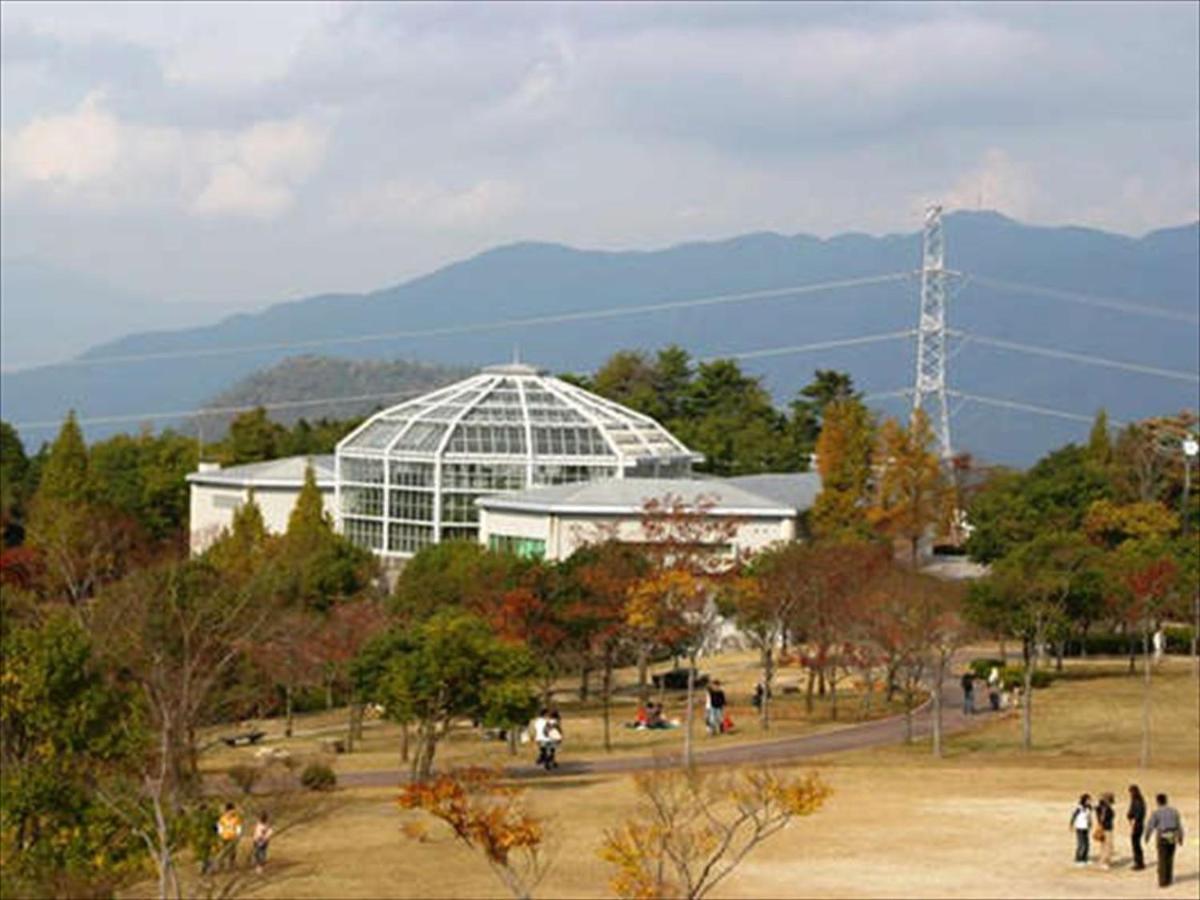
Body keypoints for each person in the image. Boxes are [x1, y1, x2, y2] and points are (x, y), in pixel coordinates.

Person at [1145, 792, 1186, 887]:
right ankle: (1169, 878)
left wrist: (1147, 836)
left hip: (1162, 835)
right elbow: (1179, 826)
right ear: (1166, 800)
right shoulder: (1174, 811)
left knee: (1162, 858)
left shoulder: (1156, 812)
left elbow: (1150, 825)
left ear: (1158, 802)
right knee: (1170, 857)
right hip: (1172, 835)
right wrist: (1180, 837)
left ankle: (1163, 881)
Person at [216, 802, 243, 871]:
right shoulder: (223, 818)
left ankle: (231, 865)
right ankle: (221, 865)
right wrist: (220, 835)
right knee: (223, 852)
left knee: (232, 853)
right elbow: (219, 827)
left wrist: (238, 835)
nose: (233, 811)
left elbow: (238, 827)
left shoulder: (236, 818)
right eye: (232, 810)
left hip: (232, 838)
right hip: (224, 837)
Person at [1127, 784, 1147, 871]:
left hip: (1137, 824)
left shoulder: (1138, 801)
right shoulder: (1137, 800)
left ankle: (1139, 863)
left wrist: (1133, 819)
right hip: (1137, 824)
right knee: (1135, 843)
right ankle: (1138, 861)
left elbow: (1138, 813)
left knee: (1136, 844)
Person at [1070, 794, 1093, 866]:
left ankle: (1085, 858)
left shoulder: (1089, 808)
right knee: (1081, 843)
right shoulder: (1079, 808)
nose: (1090, 801)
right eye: (1088, 800)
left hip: (1086, 827)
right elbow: (1073, 816)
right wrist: (1071, 825)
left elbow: (1089, 816)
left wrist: (1090, 823)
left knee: (1087, 843)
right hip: (1080, 827)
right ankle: (1078, 859)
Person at [1095, 793, 1115, 869]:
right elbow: (1104, 818)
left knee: (1103, 846)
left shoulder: (1100, 807)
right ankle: (1105, 862)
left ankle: (1102, 861)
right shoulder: (1106, 808)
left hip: (1103, 828)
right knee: (1108, 846)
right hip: (1107, 828)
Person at [252, 811, 273, 875]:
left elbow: (268, 833)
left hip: (261, 841)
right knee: (259, 853)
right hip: (259, 841)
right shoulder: (261, 825)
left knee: (260, 853)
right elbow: (269, 832)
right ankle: (259, 866)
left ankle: (260, 866)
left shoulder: (263, 826)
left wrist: (262, 838)